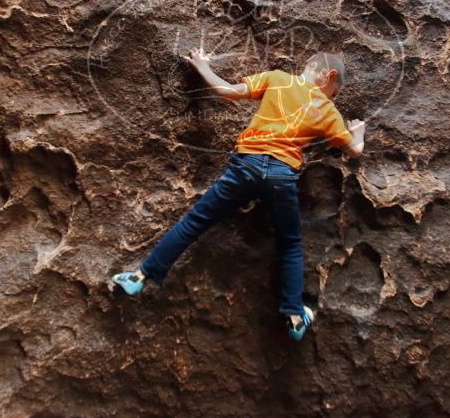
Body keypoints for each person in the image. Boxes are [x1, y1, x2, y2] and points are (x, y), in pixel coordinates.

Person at [108, 48, 366, 340]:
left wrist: (203, 67)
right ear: (328, 76)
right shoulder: (328, 110)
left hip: (246, 165)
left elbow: (229, 92)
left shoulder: (277, 78)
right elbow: (354, 151)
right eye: (335, 92)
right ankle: (294, 317)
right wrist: (358, 133)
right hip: (282, 177)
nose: (333, 97)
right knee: (290, 244)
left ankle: (139, 277)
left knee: (195, 222)